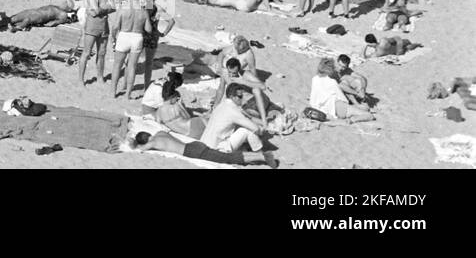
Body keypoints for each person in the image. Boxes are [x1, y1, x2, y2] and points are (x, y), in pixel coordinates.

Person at [130, 130, 275, 167]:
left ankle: (262, 156)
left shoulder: (153, 142)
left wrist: (134, 143)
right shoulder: (160, 133)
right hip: (194, 145)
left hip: (192, 152)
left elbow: (139, 150)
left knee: (227, 158)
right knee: (223, 156)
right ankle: (261, 156)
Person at [200, 83, 266, 153]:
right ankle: (260, 155)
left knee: (241, 130)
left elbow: (248, 118)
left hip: (203, 146)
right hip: (215, 150)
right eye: (240, 96)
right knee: (247, 130)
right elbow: (255, 128)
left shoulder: (222, 105)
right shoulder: (234, 110)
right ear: (232, 97)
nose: (242, 99)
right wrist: (262, 131)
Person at [77, 0, 113, 86]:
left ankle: (100, 77)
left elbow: (113, 7)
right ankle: (80, 79)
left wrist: (101, 10)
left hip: (103, 25)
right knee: (86, 53)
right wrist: (104, 8)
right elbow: (96, 10)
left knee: (102, 53)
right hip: (92, 26)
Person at [309, 57, 374, 122]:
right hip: (339, 107)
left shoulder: (314, 79)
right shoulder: (332, 82)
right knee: (368, 115)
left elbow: (313, 99)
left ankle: (358, 106)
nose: (340, 68)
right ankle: (352, 119)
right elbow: (342, 98)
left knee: (361, 106)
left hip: (324, 108)